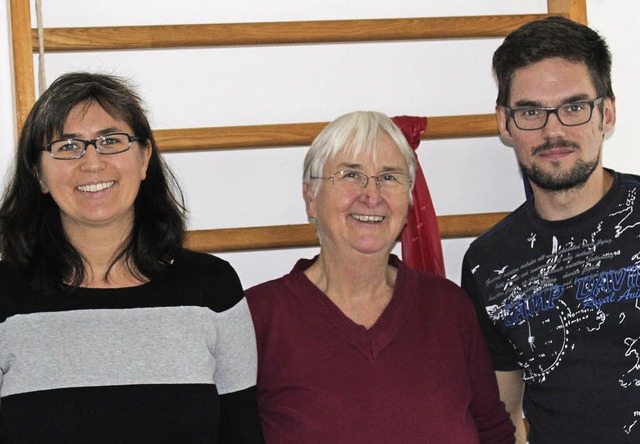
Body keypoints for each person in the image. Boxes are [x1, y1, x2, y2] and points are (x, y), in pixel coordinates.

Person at [0, 72, 263, 443]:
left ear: (144, 159)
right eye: (67, 145)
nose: (91, 162)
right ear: (38, 174)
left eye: (110, 140)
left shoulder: (212, 289)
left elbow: (242, 434)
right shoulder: (4, 295)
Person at [246, 110, 515, 443]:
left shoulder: (449, 307)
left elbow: (494, 434)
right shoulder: (257, 318)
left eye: (389, 177)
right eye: (350, 175)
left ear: (410, 198)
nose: (371, 195)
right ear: (310, 196)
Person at [461, 16, 640, 444]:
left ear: (607, 112)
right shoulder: (488, 263)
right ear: (505, 122)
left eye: (574, 107)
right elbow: (501, 415)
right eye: (530, 112)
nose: (553, 129)